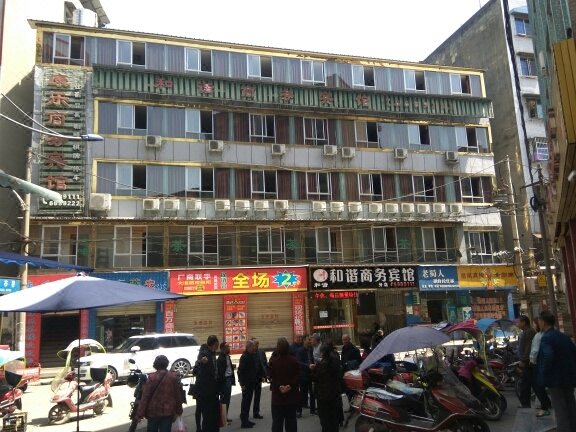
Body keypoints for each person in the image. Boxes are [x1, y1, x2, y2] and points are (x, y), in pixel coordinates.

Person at [536, 310, 576, 432]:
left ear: (543, 322)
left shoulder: (546, 338)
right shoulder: (564, 337)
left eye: (539, 321)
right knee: (570, 404)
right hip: (569, 377)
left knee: (560, 407)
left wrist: (543, 374)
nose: (538, 324)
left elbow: (548, 356)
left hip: (555, 379)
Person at [136, 354, 183, 432]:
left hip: (153, 411)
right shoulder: (173, 377)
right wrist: (179, 411)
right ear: (166, 364)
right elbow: (177, 396)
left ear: (155, 365)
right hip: (168, 411)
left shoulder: (151, 378)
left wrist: (139, 414)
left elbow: (145, 397)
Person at [268, 337, 301, 432]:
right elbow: (298, 375)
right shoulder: (294, 361)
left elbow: (271, 376)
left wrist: (279, 386)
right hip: (291, 396)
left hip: (277, 397)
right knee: (291, 422)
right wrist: (290, 385)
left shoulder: (273, 362)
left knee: (277, 423)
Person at [311, 341, 342, 432]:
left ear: (322, 353)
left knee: (325, 417)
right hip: (334, 392)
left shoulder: (321, 364)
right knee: (333, 416)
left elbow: (314, 377)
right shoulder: (335, 361)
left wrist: (313, 370)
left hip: (323, 394)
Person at [196, 335, 220, 432]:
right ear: (214, 344)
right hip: (206, 391)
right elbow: (200, 360)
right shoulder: (205, 353)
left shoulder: (212, 353)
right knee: (207, 414)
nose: (218, 346)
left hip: (213, 389)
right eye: (217, 344)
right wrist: (201, 361)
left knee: (213, 413)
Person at [529, 320, 552, 417]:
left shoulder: (538, 336)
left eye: (534, 324)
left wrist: (532, 361)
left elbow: (535, 350)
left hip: (538, 363)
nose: (533, 326)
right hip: (545, 363)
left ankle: (545, 407)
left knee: (538, 386)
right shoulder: (549, 334)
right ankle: (546, 404)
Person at [516, 315, 536, 409]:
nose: (517, 324)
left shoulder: (529, 332)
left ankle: (526, 403)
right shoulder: (525, 332)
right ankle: (525, 403)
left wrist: (524, 360)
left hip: (527, 363)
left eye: (519, 322)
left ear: (524, 322)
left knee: (527, 384)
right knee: (527, 384)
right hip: (526, 362)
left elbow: (528, 348)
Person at [238, 340, 258, 428]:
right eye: (253, 346)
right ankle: (244, 422)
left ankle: (246, 419)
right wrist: (242, 384)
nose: (254, 348)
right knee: (245, 403)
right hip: (246, 384)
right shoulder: (244, 357)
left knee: (248, 402)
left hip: (251, 383)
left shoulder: (251, 355)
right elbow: (240, 371)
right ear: (249, 347)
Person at [295, 335, 315, 417]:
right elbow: (298, 362)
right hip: (303, 375)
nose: (310, 341)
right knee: (302, 393)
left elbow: (312, 359)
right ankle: (299, 411)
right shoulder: (299, 350)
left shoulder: (311, 349)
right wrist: (308, 366)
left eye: (310, 339)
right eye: (308, 339)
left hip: (311, 374)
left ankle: (313, 410)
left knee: (312, 393)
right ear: (304, 341)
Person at [217, 342, 235, 425]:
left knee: (227, 400)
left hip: (229, 379)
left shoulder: (227, 356)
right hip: (225, 381)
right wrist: (222, 384)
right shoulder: (221, 358)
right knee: (224, 400)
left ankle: (225, 417)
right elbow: (220, 373)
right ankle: (223, 419)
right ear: (223, 348)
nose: (229, 348)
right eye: (228, 347)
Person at [251, 338, 268, 420]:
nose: (257, 345)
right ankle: (244, 414)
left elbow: (264, 364)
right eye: (255, 344)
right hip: (250, 379)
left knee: (257, 396)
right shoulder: (249, 353)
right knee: (248, 397)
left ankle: (256, 412)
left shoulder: (261, 352)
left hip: (258, 377)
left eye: (258, 343)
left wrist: (264, 375)